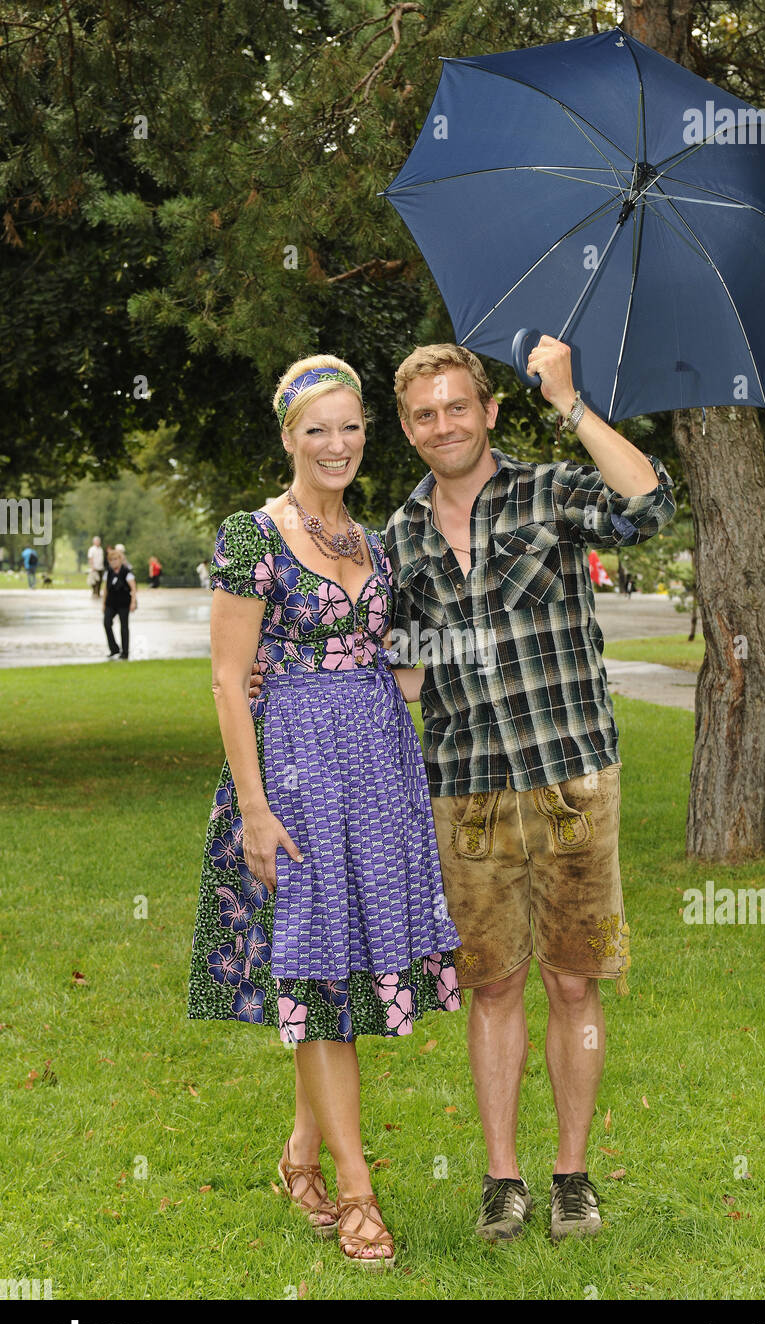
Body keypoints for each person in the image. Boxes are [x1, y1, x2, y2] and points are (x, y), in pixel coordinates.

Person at [251, 335, 675, 1245]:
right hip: (464, 792)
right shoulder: (393, 540)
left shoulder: (550, 490)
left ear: (487, 411)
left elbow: (648, 505)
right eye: (422, 413)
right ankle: (502, 1180)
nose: (442, 424)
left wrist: (568, 399)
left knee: (572, 984)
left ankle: (570, 1175)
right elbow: (385, 663)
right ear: (406, 430)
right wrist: (278, 678)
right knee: (493, 987)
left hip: (571, 778)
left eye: (457, 406)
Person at [187, 355, 461, 1269]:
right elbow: (228, 681)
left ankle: (302, 1156)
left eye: (349, 427)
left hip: (376, 772)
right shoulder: (249, 536)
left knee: (343, 969)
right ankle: (356, 1196)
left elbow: (408, 672)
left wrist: (440, 611)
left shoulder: (374, 543)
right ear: (288, 437)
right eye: (318, 430)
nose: (336, 445)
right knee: (311, 972)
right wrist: (255, 810)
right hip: (292, 776)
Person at [101, 546, 137, 658]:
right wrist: (103, 603)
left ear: (120, 559)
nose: (113, 562)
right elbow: (105, 589)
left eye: (116, 559)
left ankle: (125, 652)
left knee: (124, 626)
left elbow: (133, 588)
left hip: (123, 603)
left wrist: (133, 602)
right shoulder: (109, 573)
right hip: (111, 603)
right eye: (111, 560)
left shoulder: (127, 572)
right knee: (107, 623)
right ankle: (114, 648)